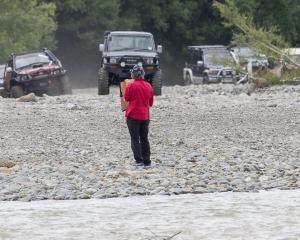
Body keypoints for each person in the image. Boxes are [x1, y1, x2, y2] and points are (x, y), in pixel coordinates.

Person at [124, 64, 154, 167]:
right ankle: (147, 161)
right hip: (145, 116)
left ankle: (139, 160)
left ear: (134, 74)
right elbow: (150, 103)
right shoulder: (149, 86)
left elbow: (126, 98)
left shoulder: (131, 85)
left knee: (135, 139)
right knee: (144, 139)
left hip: (133, 115)